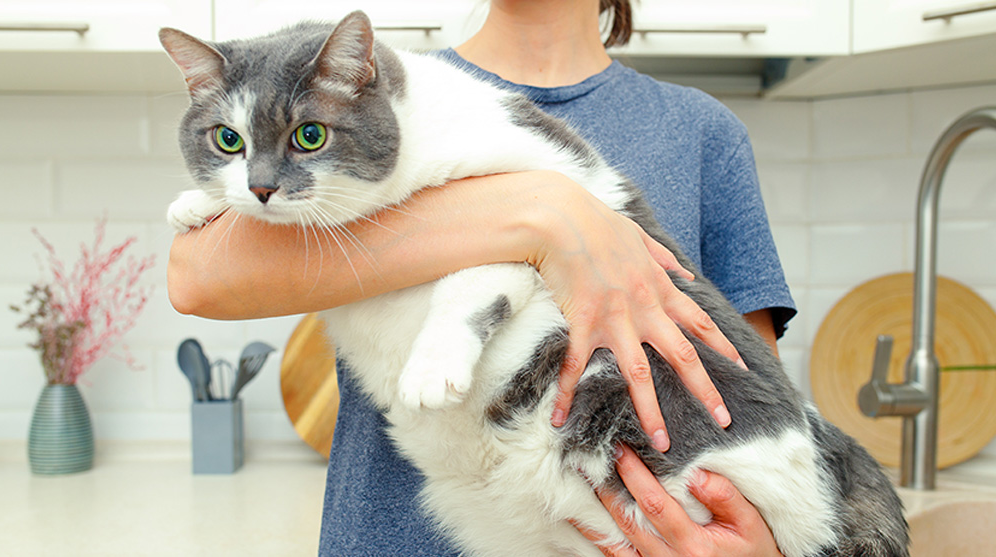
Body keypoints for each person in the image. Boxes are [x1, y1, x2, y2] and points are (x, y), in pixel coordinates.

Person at [167, 0, 795, 554]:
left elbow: (748, 394)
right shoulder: (394, 90)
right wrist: (548, 216)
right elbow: (198, 278)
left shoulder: (704, 133)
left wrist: (756, 542)